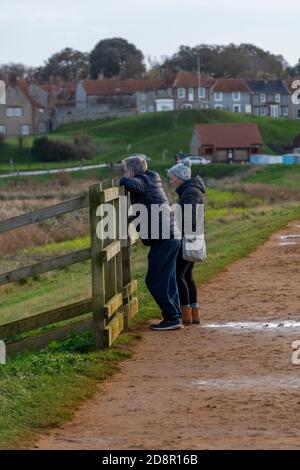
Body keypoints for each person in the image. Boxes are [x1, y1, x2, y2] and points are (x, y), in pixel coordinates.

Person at [119, 155, 183, 331]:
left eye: (126, 170)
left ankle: (172, 317)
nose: (124, 173)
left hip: (164, 239)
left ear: (132, 171)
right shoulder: (152, 178)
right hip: (170, 237)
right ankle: (175, 316)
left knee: (154, 280)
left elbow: (134, 185)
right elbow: (145, 206)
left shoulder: (143, 180)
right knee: (168, 280)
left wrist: (123, 179)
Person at [167, 159, 206, 324]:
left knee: (178, 275)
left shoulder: (190, 192)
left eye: (173, 176)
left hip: (189, 237)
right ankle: (193, 314)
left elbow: (188, 218)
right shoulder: (191, 190)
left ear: (180, 177)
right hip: (193, 236)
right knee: (187, 275)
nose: (171, 180)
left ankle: (186, 315)